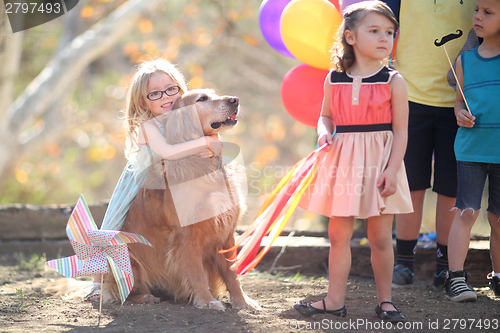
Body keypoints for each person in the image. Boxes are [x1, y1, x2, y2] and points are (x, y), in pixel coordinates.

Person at [294, 1, 412, 322]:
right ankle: (334, 300)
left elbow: (401, 131)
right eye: (374, 31)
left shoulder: (393, 81)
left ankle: (385, 301)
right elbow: (325, 117)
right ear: (350, 37)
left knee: (379, 237)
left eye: (389, 32)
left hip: (380, 162)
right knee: (338, 235)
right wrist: (324, 133)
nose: (384, 38)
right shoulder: (334, 78)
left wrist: (391, 168)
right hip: (343, 160)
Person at [84, 59, 222, 301]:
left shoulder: (184, 118)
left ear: (180, 89)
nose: (165, 97)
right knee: (112, 225)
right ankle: (99, 282)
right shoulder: (148, 126)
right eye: (155, 93)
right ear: (142, 102)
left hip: (172, 181)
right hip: (142, 181)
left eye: (171, 89)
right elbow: (168, 152)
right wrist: (207, 143)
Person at [391, 0, 476, 290]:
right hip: (408, 98)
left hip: (460, 104)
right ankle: (403, 261)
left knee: (450, 189)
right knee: (410, 185)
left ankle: (445, 266)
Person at [445, 0, 500, 302]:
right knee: (467, 211)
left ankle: (498, 277)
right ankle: (456, 279)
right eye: (476, 9)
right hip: (470, 149)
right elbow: (459, 101)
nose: (477, 16)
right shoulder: (464, 61)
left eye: (488, 12)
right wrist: (458, 112)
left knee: (499, 218)